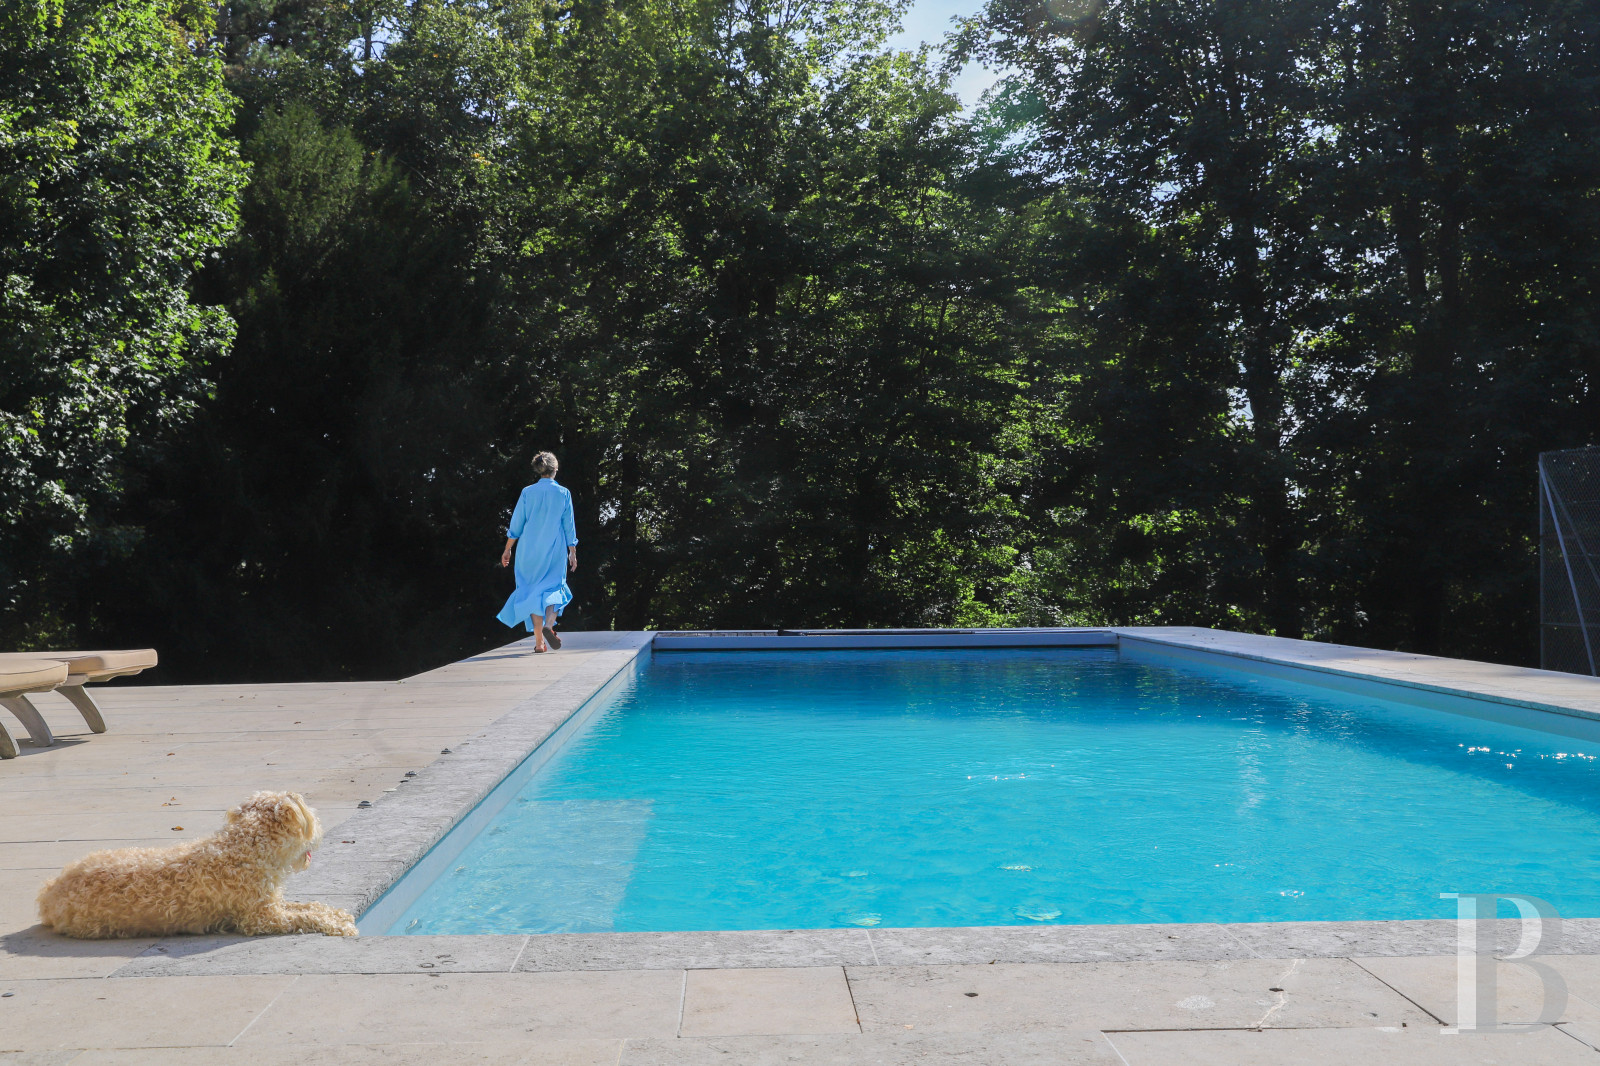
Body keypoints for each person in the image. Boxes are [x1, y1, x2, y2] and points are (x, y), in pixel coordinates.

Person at [497, 452, 578, 652]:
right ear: (555, 469)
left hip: (528, 551)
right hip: (554, 549)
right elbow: (569, 525)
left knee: (531, 590)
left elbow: (517, 523)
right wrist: (572, 550)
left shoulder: (527, 492)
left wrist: (508, 549)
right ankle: (549, 625)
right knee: (554, 588)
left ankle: (539, 643)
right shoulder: (563, 493)